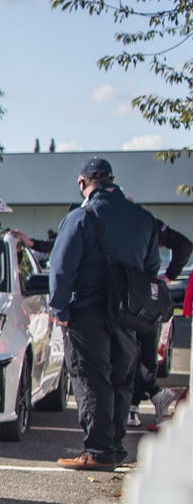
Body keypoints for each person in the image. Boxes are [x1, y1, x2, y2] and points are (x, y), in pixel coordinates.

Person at [47, 158, 161, 470]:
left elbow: (61, 268)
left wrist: (60, 310)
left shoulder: (81, 216)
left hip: (87, 311)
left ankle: (97, 452)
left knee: (90, 379)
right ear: (111, 180)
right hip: (128, 314)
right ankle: (114, 448)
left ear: (83, 183)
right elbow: (151, 269)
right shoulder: (143, 218)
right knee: (121, 381)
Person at [131, 218, 190, 425]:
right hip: (143, 298)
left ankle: (134, 404)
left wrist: (168, 277)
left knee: (139, 352)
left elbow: (184, 245)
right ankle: (150, 396)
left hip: (139, 298)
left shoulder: (145, 223)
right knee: (137, 353)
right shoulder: (145, 222)